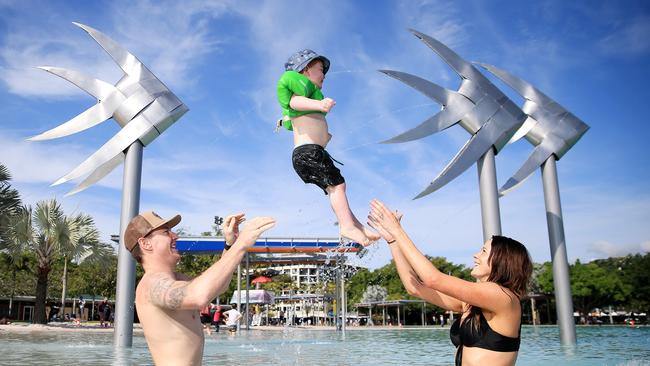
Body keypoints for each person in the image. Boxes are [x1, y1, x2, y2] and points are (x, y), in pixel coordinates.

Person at [368, 199, 533, 366]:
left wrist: (398, 231)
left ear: (502, 261)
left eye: (483, 251)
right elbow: (415, 288)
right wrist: (393, 241)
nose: (476, 255)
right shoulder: (471, 303)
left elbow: (433, 279)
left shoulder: (504, 297)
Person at [125, 211, 275, 366]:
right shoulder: (152, 284)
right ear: (145, 243)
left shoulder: (178, 279)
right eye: (166, 232)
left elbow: (218, 286)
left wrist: (230, 244)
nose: (175, 236)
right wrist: (241, 244)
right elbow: (199, 296)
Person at [277, 49, 379, 246]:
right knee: (338, 186)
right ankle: (347, 227)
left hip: (312, 153)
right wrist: (320, 104)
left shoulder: (309, 98)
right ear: (305, 70)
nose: (324, 75)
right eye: (321, 69)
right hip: (309, 152)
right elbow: (293, 102)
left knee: (336, 187)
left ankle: (355, 225)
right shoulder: (298, 96)